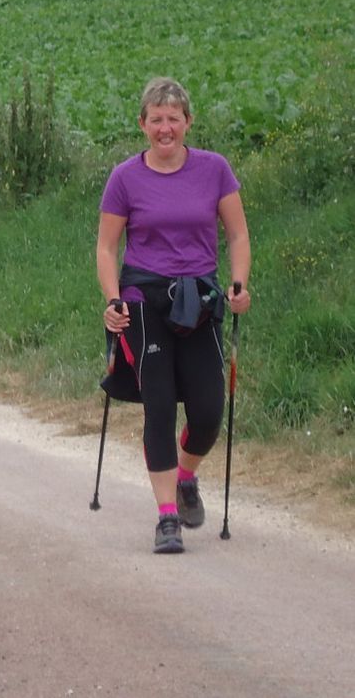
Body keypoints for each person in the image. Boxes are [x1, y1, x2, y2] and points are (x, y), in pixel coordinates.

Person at [96, 77, 251, 553]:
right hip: (143, 301)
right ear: (143, 124)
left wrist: (239, 285)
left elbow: (238, 236)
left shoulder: (215, 170)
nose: (166, 128)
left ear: (188, 122)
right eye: (157, 119)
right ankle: (166, 518)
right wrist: (111, 299)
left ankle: (186, 478)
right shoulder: (125, 177)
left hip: (200, 299)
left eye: (174, 119)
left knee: (207, 411)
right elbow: (106, 246)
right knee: (159, 408)